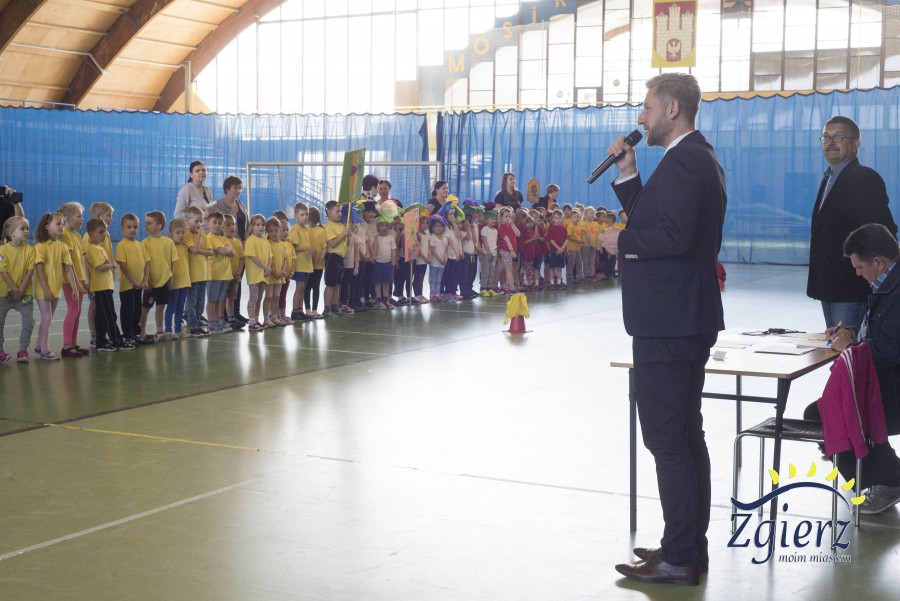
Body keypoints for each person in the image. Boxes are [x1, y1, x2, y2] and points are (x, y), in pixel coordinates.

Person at [599, 73, 726, 586]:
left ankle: (679, 558)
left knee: (668, 440)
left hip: (670, 321)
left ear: (672, 109)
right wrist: (629, 175)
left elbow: (672, 237)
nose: (640, 118)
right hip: (681, 317)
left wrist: (622, 242)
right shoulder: (691, 158)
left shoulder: (686, 160)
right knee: (684, 435)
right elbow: (659, 219)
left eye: (647, 108)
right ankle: (687, 547)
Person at [805, 223, 900, 514]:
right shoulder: (888, 285)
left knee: (826, 415)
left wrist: (852, 348)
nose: (857, 273)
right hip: (884, 381)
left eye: (859, 267)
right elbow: (883, 332)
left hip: (892, 388)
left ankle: (890, 480)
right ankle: (887, 474)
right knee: (824, 411)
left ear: (879, 262)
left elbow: (891, 348)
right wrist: (850, 333)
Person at [807, 116, 897, 332]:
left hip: (850, 287)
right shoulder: (829, 178)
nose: (830, 143)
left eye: (838, 137)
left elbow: (882, 232)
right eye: (826, 137)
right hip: (829, 285)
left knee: (850, 346)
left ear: (855, 144)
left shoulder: (864, 178)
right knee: (836, 346)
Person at [34, 212, 80, 361]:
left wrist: (74, 287)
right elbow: (39, 270)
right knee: (46, 317)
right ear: (47, 226)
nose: (61, 227)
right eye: (58, 224)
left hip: (56, 288)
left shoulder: (63, 247)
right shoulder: (40, 246)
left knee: (49, 318)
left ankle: (38, 345)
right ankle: (44, 350)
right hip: (43, 289)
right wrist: (46, 290)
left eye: (62, 224)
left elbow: (68, 269)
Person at [85, 218, 129, 352]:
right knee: (109, 315)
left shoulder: (99, 248)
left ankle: (101, 341)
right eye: (101, 232)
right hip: (101, 287)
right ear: (91, 234)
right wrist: (111, 264)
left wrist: (108, 262)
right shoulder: (92, 249)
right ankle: (117, 341)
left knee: (101, 316)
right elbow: (100, 267)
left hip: (106, 286)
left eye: (105, 232)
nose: (104, 234)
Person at [210, 176, 250, 322]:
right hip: (226, 245)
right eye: (235, 188)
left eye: (240, 188)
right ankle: (223, 315)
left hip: (240, 245)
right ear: (227, 188)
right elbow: (213, 221)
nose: (237, 191)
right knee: (225, 284)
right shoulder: (218, 204)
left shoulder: (241, 205)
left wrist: (246, 240)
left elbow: (247, 225)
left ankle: (235, 313)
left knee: (236, 281)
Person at [0, 216, 35, 364]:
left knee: (29, 321)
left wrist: (20, 290)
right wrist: (14, 289)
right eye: (22, 229)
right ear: (12, 233)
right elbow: (3, 271)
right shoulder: (2, 250)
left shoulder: (30, 250)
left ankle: (23, 350)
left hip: (24, 294)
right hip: (3, 295)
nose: (26, 231)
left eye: (27, 228)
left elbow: (30, 271)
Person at [58, 202, 90, 357]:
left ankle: (73, 343)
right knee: (73, 310)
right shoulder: (65, 235)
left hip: (80, 279)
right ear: (67, 218)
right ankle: (66, 346)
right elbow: (68, 263)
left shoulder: (77, 236)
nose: (82, 219)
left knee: (77, 311)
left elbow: (80, 260)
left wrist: (84, 280)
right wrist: (76, 283)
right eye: (79, 216)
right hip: (70, 281)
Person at [140, 210, 177, 342]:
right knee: (145, 308)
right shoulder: (144, 243)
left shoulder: (168, 242)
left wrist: (171, 277)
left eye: (149, 223)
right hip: (151, 283)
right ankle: (141, 331)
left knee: (161, 307)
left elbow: (173, 261)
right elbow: (144, 263)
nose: (146, 225)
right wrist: (146, 279)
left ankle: (160, 330)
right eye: (146, 223)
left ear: (159, 226)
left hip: (164, 281)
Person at [83, 202, 114, 348]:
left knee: (102, 309)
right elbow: (85, 259)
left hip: (105, 280)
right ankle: (94, 335)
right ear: (98, 216)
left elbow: (108, 255)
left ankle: (102, 334)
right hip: (95, 281)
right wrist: (88, 280)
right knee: (94, 307)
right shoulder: (87, 237)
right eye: (108, 216)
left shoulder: (106, 235)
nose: (111, 219)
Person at [184, 206, 212, 337]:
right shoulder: (187, 235)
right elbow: (193, 250)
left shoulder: (203, 236)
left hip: (204, 274)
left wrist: (201, 249)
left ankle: (198, 321)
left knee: (201, 301)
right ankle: (192, 326)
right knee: (192, 300)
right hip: (193, 275)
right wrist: (200, 236)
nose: (199, 224)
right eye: (196, 221)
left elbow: (211, 252)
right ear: (187, 220)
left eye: (201, 221)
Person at [205, 211, 236, 333]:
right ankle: (211, 324)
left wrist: (228, 249)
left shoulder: (222, 238)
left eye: (219, 223)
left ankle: (217, 321)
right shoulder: (210, 238)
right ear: (208, 223)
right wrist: (228, 248)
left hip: (224, 274)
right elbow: (223, 252)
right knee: (212, 300)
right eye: (214, 222)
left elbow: (233, 253)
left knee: (219, 300)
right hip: (215, 274)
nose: (217, 225)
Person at [322, 201, 352, 317]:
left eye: (340, 211)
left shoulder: (341, 226)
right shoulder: (328, 226)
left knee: (338, 284)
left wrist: (348, 234)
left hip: (340, 257)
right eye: (337, 211)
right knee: (330, 284)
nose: (340, 214)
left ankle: (335, 306)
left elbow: (347, 243)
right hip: (332, 257)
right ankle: (327, 308)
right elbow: (332, 244)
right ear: (329, 213)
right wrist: (343, 234)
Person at [244, 215, 273, 331]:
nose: (261, 227)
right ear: (252, 227)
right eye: (258, 225)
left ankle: (256, 320)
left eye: (262, 225)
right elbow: (253, 257)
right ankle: (251, 322)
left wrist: (268, 268)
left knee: (259, 298)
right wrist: (265, 267)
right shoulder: (250, 240)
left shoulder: (265, 241)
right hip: (254, 275)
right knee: (253, 297)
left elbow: (270, 256)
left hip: (264, 275)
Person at [163, 219, 191, 340]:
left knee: (180, 308)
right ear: (170, 234)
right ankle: (168, 330)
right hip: (174, 283)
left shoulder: (185, 247)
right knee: (171, 307)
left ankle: (178, 330)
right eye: (178, 233)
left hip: (184, 282)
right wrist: (170, 279)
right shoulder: (169, 246)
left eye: (183, 232)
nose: (181, 235)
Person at [290, 202, 314, 322]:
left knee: (303, 288)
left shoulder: (306, 230)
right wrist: (307, 248)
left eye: (306, 214)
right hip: (299, 265)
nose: (305, 217)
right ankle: (294, 311)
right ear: (296, 215)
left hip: (306, 264)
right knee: (299, 288)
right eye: (302, 214)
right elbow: (293, 248)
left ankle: (300, 310)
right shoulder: (295, 230)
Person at [174, 161, 214, 228]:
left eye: (203, 170)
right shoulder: (186, 189)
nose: (201, 172)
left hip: (208, 230)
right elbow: (178, 215)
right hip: (194, 231)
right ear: (191, 175)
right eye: (197, 171)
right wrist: (202, 215)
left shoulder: (208, 191)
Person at [222, 214, 245, 331]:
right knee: (222, 297)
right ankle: (221, 319)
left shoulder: (237, 242)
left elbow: (241, 258)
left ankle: (231, 318)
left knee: (231, 297)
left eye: (233, 224)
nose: (232, 227)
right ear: (222, 227)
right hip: (224, 276)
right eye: (228, 225)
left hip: (235, 276)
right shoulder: (221, 241)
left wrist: (239, 271)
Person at [305, 206, 327, 318]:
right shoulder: (305, 230)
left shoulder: (321, 230)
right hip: (308, 264)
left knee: (316, 286)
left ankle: (314, 309)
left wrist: (321, 257)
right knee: (308, 286)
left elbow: (324, 247)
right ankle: (308, 309)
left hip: (318, 264)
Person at [373, 216, 397, 309]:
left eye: (386, 226)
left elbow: (393, 250)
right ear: (378, 227)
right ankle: (379, 300)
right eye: (382, 225)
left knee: (386, 282)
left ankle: (386, 300)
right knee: (377, 283)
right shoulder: (377, 238)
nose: (384, 227)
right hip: (378, 263)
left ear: (389, 227)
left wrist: (393, 261)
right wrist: (374, 258)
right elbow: (374, 249)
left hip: (388, 263)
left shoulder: (391, 238)